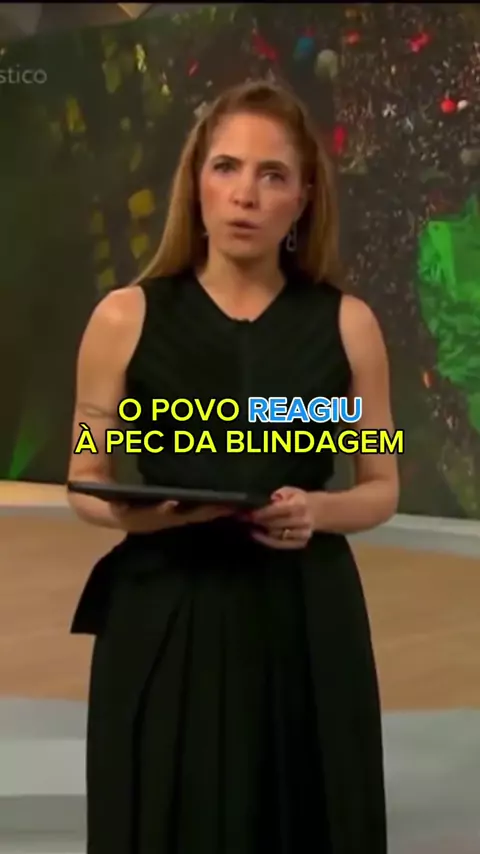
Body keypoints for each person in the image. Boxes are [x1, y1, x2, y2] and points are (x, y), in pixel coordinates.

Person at [68, 80, 398, 854]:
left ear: (303, 198)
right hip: (166, 609)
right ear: (197, 182)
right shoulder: (123, 317)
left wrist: (315, 511)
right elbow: (86, 478)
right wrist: (148, 517)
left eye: (271, 174)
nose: (245, 195)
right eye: (226, 167)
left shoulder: (348, 326)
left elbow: (381, 486)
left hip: (303, 617)